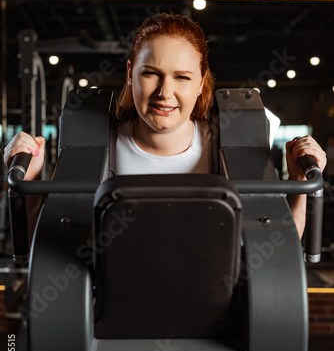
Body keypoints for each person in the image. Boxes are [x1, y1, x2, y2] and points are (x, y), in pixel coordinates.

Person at [4, 12, 327, 238]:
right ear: (130, 74)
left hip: (212, 308)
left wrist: (299, 182)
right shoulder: (94, 146)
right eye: (150, 73)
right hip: (114, 312)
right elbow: (51, 242)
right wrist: (31, 178)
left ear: (201, 83)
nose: (164, 92)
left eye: (182, 77)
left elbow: (274, 240)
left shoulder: (228, 146)